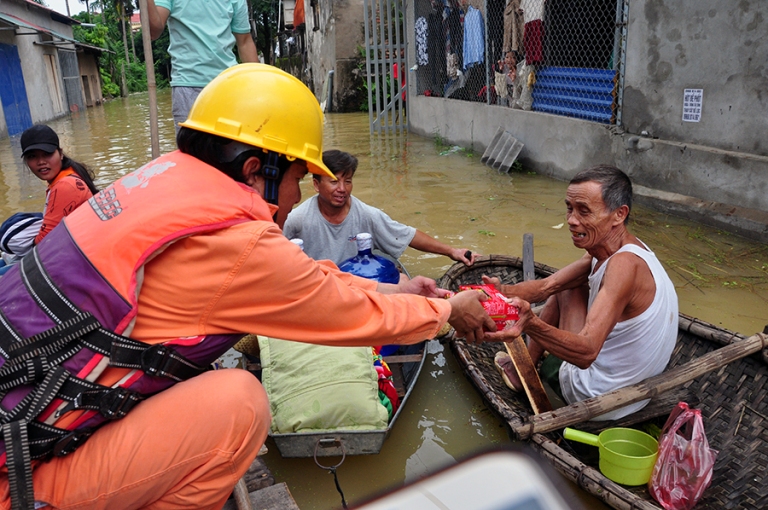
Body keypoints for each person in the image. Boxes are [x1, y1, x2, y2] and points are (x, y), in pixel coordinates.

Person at [0, 64, 495, 509]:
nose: (298, 194)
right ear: (257, 171)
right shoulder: (234, 240)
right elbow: (341, 312)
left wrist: (402, 293)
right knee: (239, 403)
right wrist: (449, 314)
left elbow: (311, 279)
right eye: (298, 177)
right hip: (15, 477)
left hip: (19, 421)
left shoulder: (157, 182)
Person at [487, 166, 678, 421]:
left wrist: (530, 323)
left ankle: (525, 368)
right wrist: (500, 291)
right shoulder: (618, 249)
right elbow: (546, 286)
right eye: (569, 208)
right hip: (633, 396)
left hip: (599, 397)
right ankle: (527, 363)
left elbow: (587, 353)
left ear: (619, 215)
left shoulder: (623, 265)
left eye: (584, 211)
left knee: (568, 289)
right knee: (564, 285)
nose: (571, 220)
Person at [283, 149, 479, 267]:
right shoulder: (297, 219)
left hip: (357, 287)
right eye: (334, 182)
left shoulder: (366, 215)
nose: (342, 189)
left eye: (348, 181)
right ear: (316, 185)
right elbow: (275, 253)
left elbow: (406, 235)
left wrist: (452, 251)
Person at [145, 0, 259, 132]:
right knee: (191, 149)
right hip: (188, 84)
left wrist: (258, 88)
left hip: (227, 86)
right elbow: (153, 32)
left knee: (231, 148)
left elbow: (244, 41)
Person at [0, 125, 98, 275]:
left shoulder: (65, 186)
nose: (41, 162)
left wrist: (21, 243)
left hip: (78, 261)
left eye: (47, 154)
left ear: (60, 153)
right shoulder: (65, 177)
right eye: (33, 156)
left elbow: (44, 243)